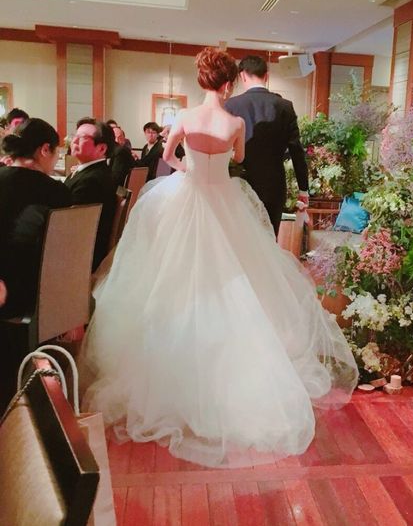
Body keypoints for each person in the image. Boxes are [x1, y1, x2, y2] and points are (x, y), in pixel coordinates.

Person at [79, 47, 357, 469]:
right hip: (224, 198)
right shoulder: (235, 123)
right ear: (228, 83)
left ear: (203, 80)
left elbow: (167, 157)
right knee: (234, 275)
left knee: (171, 276)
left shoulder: (185, 117)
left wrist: (188, 169)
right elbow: (239, 159)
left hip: (186, 195)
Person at [225, 55, 309, 235]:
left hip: (240, 183)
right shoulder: (285, 106)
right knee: (269, 238)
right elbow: (296, 150)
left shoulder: (232, 105)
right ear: (266, 76)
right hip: (274, 185)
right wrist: (303, 189)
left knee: (239, 237)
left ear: (242, 75)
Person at [0, 118, 72, 318]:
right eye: (57, 152)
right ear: (45, 150)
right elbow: (61, 254)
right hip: (26, 291)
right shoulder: (56, 191)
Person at [65, 119, 117, 271]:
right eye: (75, 136)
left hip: (79, 255)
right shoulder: (90, 172)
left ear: (101, 148)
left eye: (82, 138)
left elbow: (68, 221)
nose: (74, 141)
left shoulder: (92, 180)